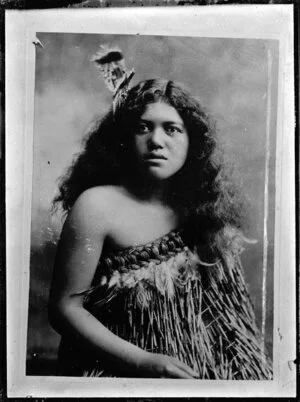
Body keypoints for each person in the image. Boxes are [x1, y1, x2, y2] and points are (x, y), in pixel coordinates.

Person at [49, 70, 272, 379]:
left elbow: (227, 316)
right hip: (115, 365)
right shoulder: (97, 205)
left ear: (192, 141)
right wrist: (141, 361)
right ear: (125, 138)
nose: (156, 141)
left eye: (171, 129)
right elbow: (64, 308)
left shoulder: (203, 207)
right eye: (143, 127)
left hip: (194, 363)